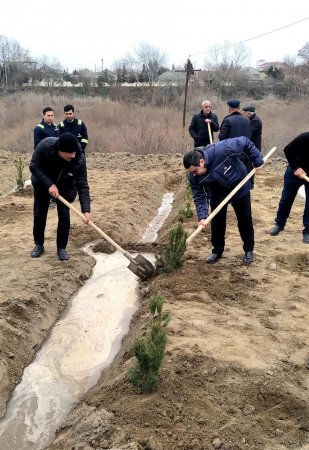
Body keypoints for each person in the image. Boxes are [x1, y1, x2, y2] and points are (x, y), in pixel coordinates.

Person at [183, 136, 264, 263]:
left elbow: (244, 141)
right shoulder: (193, 176)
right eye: (190, 172)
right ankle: (217, 251)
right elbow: (199, 196)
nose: (193, 174)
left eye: (194, 171)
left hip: (239, 186)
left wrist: (257, 160)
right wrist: (202, 216)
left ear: (201, 162)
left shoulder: (221, 150)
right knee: (217, 223)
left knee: (244, 219)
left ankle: (248, 250)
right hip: (217, 193)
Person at [29, 132, 91, 261]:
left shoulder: (79, 158)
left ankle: (61, 248)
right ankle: (39, 244)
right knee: (40, 213)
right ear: (60, 151)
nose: (73, 156)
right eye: (70, 155)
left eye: (74, 153)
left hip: (66, 185)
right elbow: (34, 166)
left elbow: (82, 184)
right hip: (43, 182)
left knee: (64, 216)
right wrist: (49, 184)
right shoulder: (45, 146)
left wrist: (86, 210)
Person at [269, 132, 309, 244]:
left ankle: (307, 231)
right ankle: (280, 224)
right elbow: (288, 149)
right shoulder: (305, 137)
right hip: (294, 173)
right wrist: (296, 167)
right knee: (286, 199)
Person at [34, 107, 60, 209]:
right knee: (45, 179)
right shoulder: (39, 128)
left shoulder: (56, 127)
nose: (50, 118)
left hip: (55, 159)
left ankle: (54, 198)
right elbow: (37, 145)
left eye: (52, 115)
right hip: (44, 159)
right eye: (48, 115)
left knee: (56, 178)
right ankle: (48, 200)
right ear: (43, 116)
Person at [242, 105, 263, 188]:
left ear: (249, 113)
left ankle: (250, 184)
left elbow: (249, 133)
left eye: (244, 113)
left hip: (254, 148)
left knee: (250, 167)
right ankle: (245, 183)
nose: (243, 115)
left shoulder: (256, 121)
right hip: (247, 147)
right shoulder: (249, 119)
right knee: (245, 165)